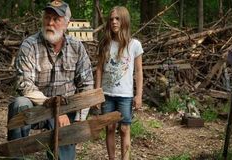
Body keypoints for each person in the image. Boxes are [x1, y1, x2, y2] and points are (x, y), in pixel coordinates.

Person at [7, 1, 94, 159]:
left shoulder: (77, 47)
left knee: (63, 152)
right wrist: (54, 108)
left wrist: (79, 120)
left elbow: (87, 85)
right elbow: (24, 84)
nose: (50, 23)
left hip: (66, 110)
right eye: (47, 17)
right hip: (38, 106)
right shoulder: (29, 46)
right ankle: (16, 155)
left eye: (56, 19)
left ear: (66, 23)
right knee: (19, 104)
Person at [95, 6, 143, 160]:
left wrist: (139, 95)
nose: (114, 22)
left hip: (125, 95)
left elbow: (139, 71)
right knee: (110, 127)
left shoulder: (134, 44)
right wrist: (97, 93)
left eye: (117, 18)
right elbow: (99, 70)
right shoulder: (105, 43)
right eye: (111, 19)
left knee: (124, 128)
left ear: (124, 20)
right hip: (107, 94)